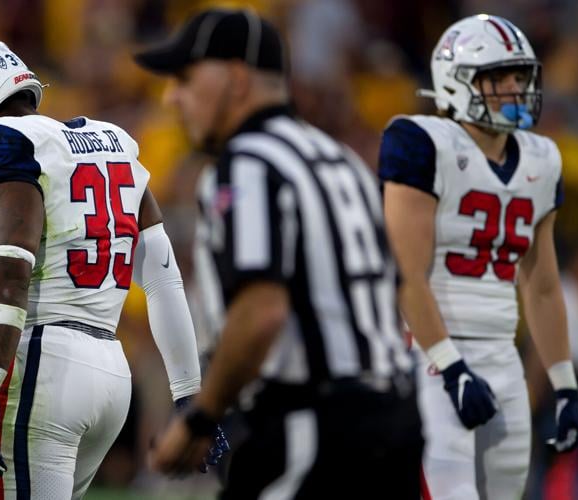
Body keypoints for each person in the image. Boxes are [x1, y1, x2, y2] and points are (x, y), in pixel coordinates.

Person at [135, 8, 423, 499]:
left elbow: (260, 312)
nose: (171, 97)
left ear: (236, 78)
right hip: (395, 418)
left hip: (313, 425)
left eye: (185, 79)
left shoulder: (248, 164)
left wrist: (200, 417)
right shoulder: (340, 159)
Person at [0, 39, 226, 499]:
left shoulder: (1, 141)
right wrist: (188, 393)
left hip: (44, 367)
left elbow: (11, 267)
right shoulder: (112, 141)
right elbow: (163, 277)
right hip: (112, 372)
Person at [378, 14, 578, 500]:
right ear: (457, 81)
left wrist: (564, 382)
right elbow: (407, 273)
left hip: (502, 355)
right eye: (499, 76)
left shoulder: (541, 159)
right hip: (429, 356)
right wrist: (450, 366)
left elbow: (542, 284)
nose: (515, 88)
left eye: (520, 76)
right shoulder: (422, 142)